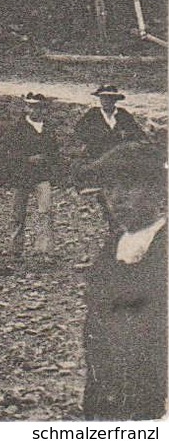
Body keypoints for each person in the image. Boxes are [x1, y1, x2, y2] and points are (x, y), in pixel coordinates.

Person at [76, 142, 166, 420]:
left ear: (157, 190)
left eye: (128, 187)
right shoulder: (112, 248)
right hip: (110, 388)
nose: (117, 198)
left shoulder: (163, 247)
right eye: (109, 189)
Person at [4, 92, 62, 261]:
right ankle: (15, 248)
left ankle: (45, 250)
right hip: (21, 176)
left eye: (39, 107)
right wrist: (27, 159)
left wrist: (48, 162)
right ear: (26, 108)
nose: (35, 111)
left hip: (42, 176)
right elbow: (9, 152)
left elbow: (54, 152)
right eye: (31, 107)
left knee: (45, 211)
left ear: (44, 110)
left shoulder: (48, 129)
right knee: (18, 214)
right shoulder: (18, 128)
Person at [74, 85, 144, 162]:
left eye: (110, 98)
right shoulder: (92, 114)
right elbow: (79, 131)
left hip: (119, 156)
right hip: (95, 155)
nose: (107, 101)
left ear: (115, 100)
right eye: (103, 98)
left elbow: (136, 133)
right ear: (100, 99)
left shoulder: (123, 114)